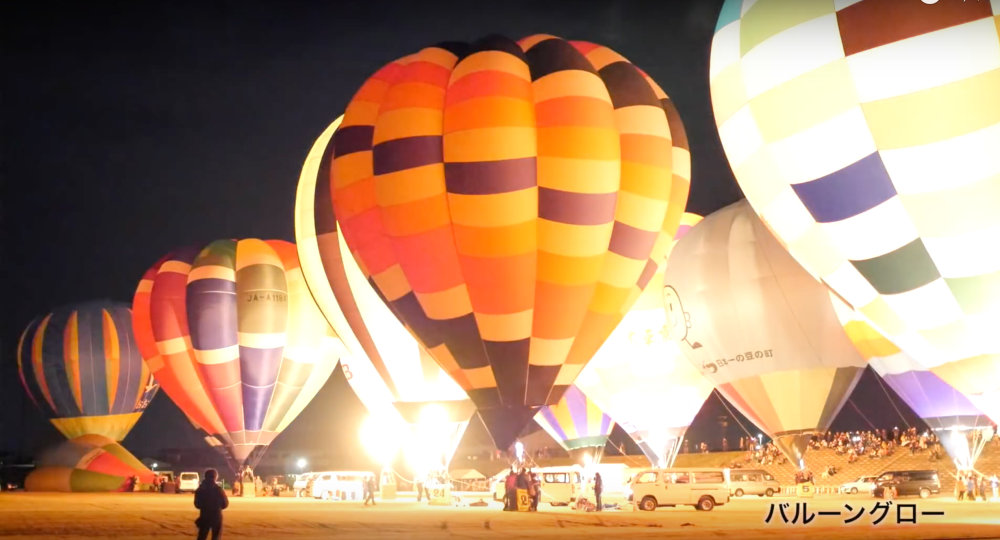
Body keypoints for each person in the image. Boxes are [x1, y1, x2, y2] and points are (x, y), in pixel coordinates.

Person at [194, 469, 229, 540]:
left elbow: (197, 504)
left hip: (204, 515)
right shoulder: (218, 489)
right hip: (216, 516)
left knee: (202, 536)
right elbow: (225, 503)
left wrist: (205, 507)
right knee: (216, 537)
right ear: (215, 477)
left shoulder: (200, 489)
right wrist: (217, 507)